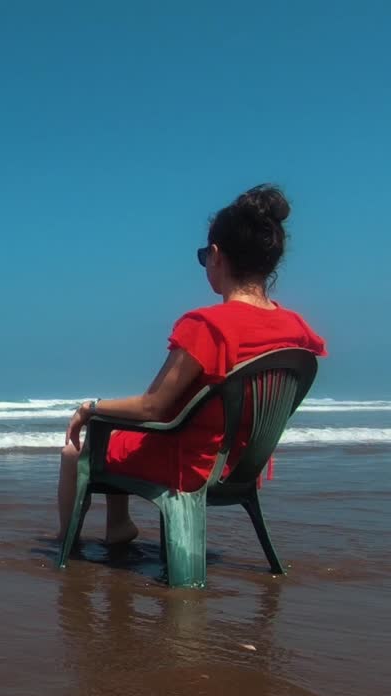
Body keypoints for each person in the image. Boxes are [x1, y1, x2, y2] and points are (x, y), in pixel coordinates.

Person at [57, 184, 327, 544]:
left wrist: (89, 408)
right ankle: (117, 527)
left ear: (216, 256)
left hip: (191, 463)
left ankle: (67, 537)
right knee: (123, 432)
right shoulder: (296, 328)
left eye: (204, 257)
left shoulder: (207, 326)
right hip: (242, 466)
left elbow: (152, 406)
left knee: (77, 451)